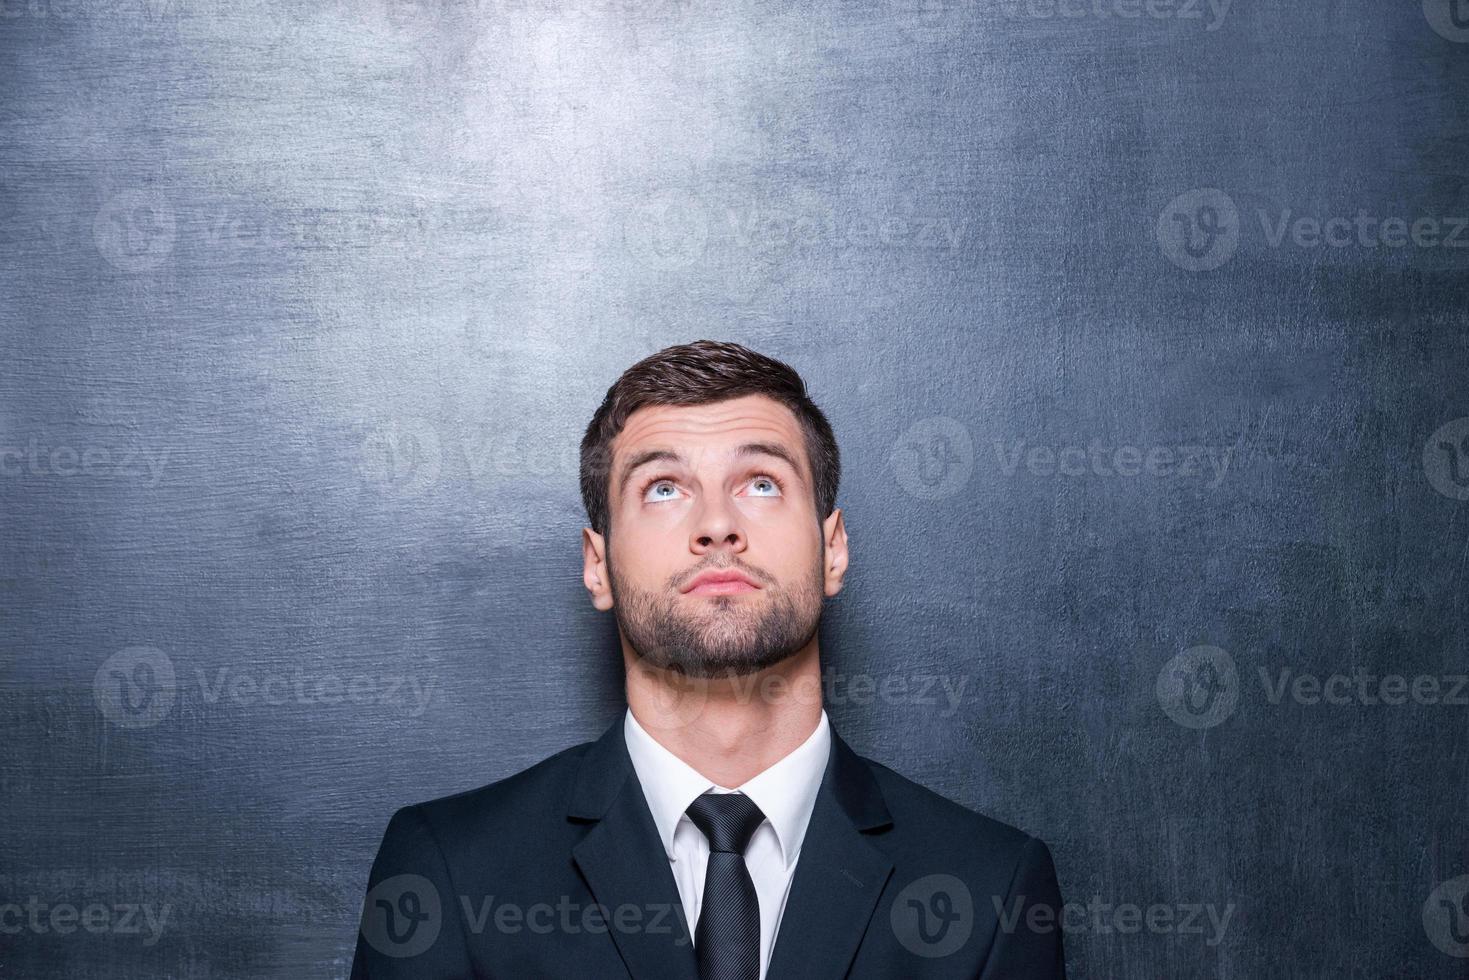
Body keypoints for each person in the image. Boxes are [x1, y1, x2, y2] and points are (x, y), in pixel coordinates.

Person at [350, 340, 1067, 979]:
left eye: (761, 483)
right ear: (597, 566)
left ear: (833, 550)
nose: (717, 525)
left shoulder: (989, 886)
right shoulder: (454, 868)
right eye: (663, 490)